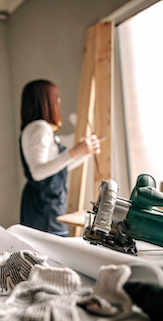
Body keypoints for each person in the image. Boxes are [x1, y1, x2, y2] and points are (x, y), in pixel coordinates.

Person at [19, 79, 100, 236]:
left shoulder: (35, 127)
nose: (59, 101)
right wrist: (74, 152)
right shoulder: (40, 128)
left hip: (44, 203)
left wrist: (85, 153)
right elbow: (37, 172)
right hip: (43, 208)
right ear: (46, 101)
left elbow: (57, 169)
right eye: (56, 98)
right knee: (48, 256)